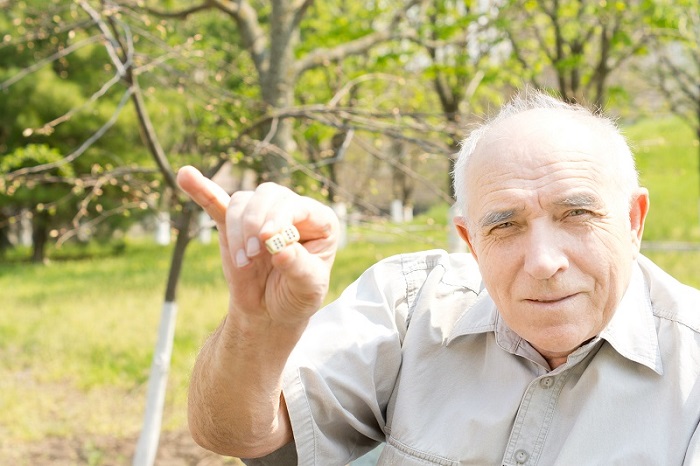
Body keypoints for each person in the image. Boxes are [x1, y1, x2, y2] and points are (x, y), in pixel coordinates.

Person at [177, 91, 700, 466]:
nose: (543, 261)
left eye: (577, 215)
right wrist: (258, 329)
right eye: (505, 225)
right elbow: (233, 433)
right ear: (470, 241)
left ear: (633, 221)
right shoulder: (411, 305)